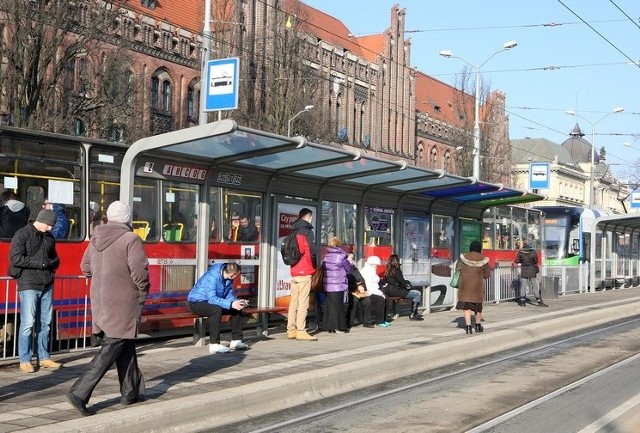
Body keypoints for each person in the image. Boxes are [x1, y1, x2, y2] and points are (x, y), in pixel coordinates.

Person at [67, 201, 150, 416]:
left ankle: (131, 391)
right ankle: (79, 392)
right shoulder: (130, 238)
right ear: (127, 218)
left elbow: (85, 267)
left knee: (125, 343)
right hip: (123, 301)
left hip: (101, 300)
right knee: (113, 346)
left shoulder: (95, 238)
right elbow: (139, 272)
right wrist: (142, 292)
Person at [9, 208, 61, 373]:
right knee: (28, 324)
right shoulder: (22, 234)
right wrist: (42, 264)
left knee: (45, 323)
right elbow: (15, 258)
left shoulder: (49, 238)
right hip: (29, 284)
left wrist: (54, 264)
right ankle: (25, 360)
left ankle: (44, 358)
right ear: (42, 221)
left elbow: (54, 256)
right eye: (49, 225)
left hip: (47, 284)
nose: (51, 229)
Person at [187, 262, 249, 353]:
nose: (236, 277)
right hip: (196, 302)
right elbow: (212, 299)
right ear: (233, 275)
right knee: (216, 310)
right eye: (237, 275)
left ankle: (236, 341)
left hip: (211, 302)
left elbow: (228, 295)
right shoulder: (212, 277)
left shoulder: (228, 278)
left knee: (237, 307)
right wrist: (231, 304)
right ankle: (214, 344)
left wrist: (236, 302)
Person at [286, 208, 318, 341]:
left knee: (294, 301)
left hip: (294, 270)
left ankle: (291, 329)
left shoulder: (293, 231)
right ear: (308, 217)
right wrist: (314, 267)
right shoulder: (307, 232)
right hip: (305, 269)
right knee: (303, 301)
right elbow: (311, 252)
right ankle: (301, 330)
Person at [455, 240, 491, 334]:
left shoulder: (463, 258)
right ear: (479, 249)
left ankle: (468, 327)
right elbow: (487, 275)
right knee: (478, 307)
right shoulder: (483, 259)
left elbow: (457, 269)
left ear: (470, 248)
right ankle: (478, 326)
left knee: (466, 306)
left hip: (465, 286)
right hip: (477, 288)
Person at [321, 237, 352, 333]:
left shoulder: (327, 256)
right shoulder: (341, 256)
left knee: (330, 306)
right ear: (339, 244)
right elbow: (349, 269)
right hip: (338, 284)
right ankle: (338, 327)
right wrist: (350, 262)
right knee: (338, 306)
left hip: (328, 285)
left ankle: (328, 326)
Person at [383, 254, 424, 321]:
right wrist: (408, 282)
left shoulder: (388, 270)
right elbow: (402, 282)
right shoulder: (396, 270)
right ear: (397, 261)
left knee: (414, 293)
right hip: (398, 291)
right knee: (417, 294)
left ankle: (414, 314)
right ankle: (413, 315)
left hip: (389, 291)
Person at [359, 256, 391, 328]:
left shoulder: (371, 270)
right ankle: (380, 321)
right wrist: (380, 293)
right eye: (376, 265)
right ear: (372, 264)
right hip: (368, 292)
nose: (377, 266)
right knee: (381, 299)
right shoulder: (367, 271)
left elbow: (377, 280)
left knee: (386, 298)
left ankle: (384, 319)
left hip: (373, 290)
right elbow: (370, 286)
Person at [515, 242, 547, 307]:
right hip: (532, 271)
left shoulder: (520, 253)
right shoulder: (533, 253)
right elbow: (536, 261)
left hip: (524, 270)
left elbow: (517, 261)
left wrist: (523, 261)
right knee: (535, 287)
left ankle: (522, 302)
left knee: (523, 287)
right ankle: (539, 302)